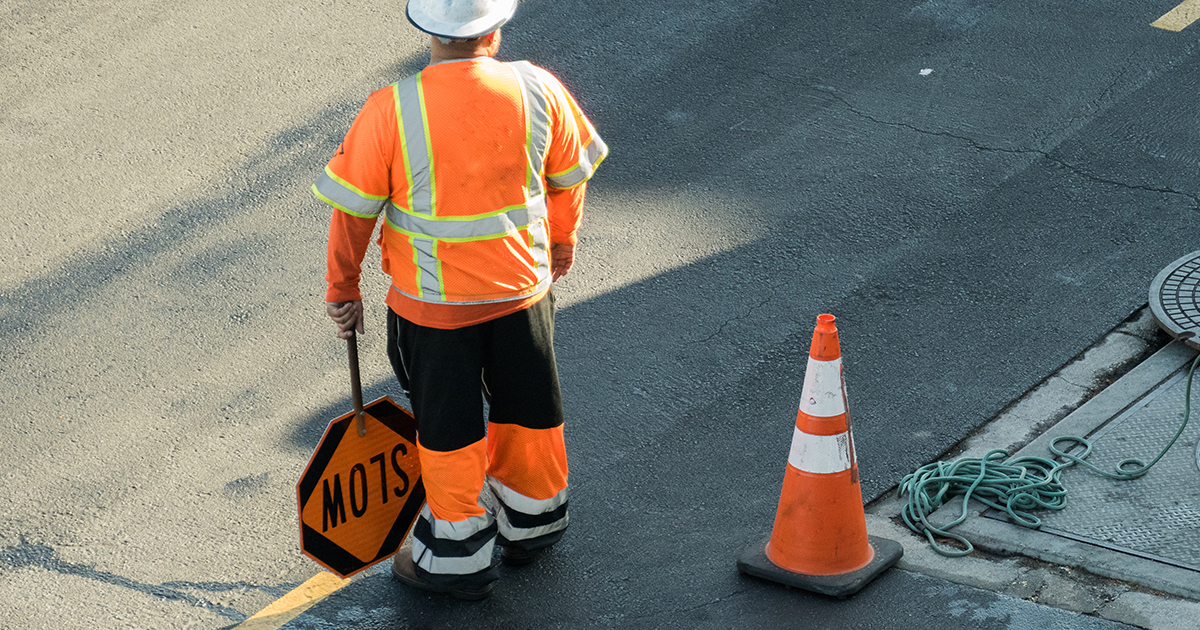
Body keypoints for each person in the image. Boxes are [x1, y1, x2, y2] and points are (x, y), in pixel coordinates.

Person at [313, 0, 607, 601]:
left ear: (426, 31)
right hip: (522, 294)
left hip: (433, 310)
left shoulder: (392, 109)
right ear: (494, 30)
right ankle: (534, 521)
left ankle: (455, 556)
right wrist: (559, 245)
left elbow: (353, 215)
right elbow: (569, 176)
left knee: (449, 430)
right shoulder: (538, 89)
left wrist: (343, 290)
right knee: (529, 410)